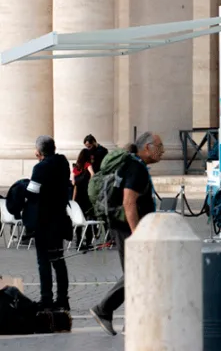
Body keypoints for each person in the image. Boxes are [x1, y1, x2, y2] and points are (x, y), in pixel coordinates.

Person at [90, 131, 164, 335]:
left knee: (139, 274)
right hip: (127, 228)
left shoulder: (135, 165)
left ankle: (129, 321)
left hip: (124, 227)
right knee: (136, 274)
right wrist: (137, 235)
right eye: (159, 146)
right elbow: (129, 202)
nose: (163, 151)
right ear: (147, 147)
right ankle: (104, 309)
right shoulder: (136, 168)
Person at [24, 136, 72, 311]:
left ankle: (46, 299)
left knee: (43, 261)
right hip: (60, 219)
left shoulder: (40, 167)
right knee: (58, 260)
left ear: (39, 151)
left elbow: (32, 192)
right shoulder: (63, 164)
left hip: (43, 221)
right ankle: (63, 299)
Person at [72, 148, 95, 250]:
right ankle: (89, 241)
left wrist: (73, 199)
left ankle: (78, 240)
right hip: (86, 195)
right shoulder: (87, 165)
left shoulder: (76, 167)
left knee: (79, 219)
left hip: (78, 197)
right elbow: (93, 174)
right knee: (88, 218)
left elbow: (74, 183)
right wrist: (90, 183)